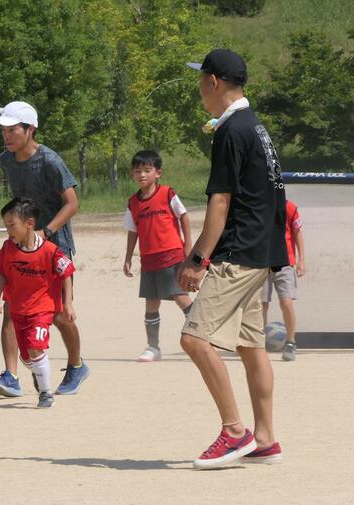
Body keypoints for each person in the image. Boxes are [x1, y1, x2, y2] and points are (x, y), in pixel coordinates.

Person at [179, 49, 289, 469]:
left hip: (239, 251)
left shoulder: (231, 131)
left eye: (201, 79)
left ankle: (233, 432)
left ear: (214, 82)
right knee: (250, 344)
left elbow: (220, 202)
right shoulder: (254, 125)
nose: (199, 88)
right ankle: (265, 439)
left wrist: (197, 259)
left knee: (193, 338)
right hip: (261, 249)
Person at [0, 101, 88, 398]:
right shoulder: (6, 160)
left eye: (12, 129)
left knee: (57, 315)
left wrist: (48, 231)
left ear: (30, 129)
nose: (7, 135)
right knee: (12, 310)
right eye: (3, 130)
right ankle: (11, 376)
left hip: (54, 245)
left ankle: (76, 365)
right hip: (23, 244)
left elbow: (72, 203)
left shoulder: (50, 161)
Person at [0, 198, 75, 408]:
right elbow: (2, 272)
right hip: (19, 310)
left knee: (36, 348)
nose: (8, 230)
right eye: (6, 225)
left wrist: (68, 304)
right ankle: (38, 372)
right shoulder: (8, 248)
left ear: (29, 223)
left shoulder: (50, 251)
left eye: (12, 225)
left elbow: (66, 273)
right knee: (28, 358)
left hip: (43, 309)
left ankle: (46, 394)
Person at [122, 150, 193, 362]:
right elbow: (132, 231)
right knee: (151, 303)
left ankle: (203, 336)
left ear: (157, 173)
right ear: (132, 175)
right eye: (137, 171)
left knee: (181, 298)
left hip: (171, 255)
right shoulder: (133, 202)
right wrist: (128, 258)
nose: (142, 175)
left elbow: (184, 217)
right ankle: (153, 347)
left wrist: (187, 246)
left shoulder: (167, 193)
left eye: (147, 170)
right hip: (148, 260)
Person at [261, 199, 305, 361]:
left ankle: (290, 342)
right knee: (261, 304)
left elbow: (297, 232)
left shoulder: (290, 207)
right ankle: (259, 343)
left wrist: (302, 260)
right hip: (262, 262)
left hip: (285, 261)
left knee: (286, 302)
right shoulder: (259, 204)